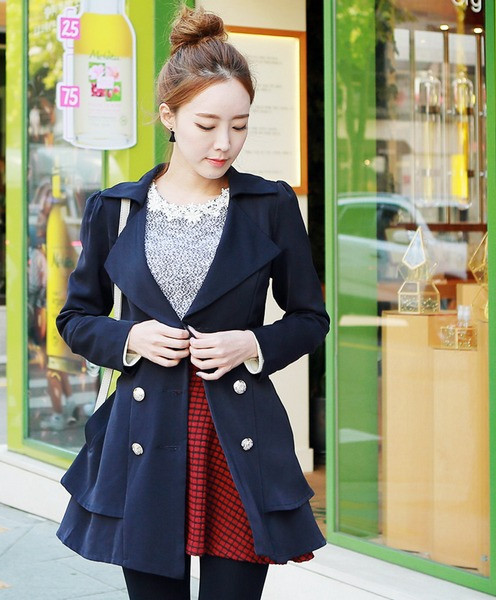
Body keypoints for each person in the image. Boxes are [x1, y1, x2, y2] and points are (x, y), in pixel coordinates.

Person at [55, 6, 329, 600]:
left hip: (237, 438)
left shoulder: (270, 205)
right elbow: (74, 318)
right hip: (143, 437)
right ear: (170, 116)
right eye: (207, 124)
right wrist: (129, 338)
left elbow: (310, 319)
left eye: (240, 125)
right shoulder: (115, 209)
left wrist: (252, 343)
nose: (224, 143)